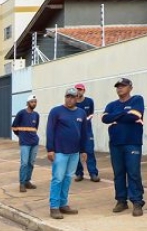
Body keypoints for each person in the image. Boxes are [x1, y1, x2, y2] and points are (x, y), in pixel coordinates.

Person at [101, 78, 146, 217]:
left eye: (123, 86)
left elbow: (135, 116)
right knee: (118, 174)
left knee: (133, 172)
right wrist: (124, 114)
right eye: (118, 87)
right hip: (115, 143)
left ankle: (137, 202)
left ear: (130, 88)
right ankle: (121, 200)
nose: (120, 88)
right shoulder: (111, 104)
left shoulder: (137, 100)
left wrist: (115, 117)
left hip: (132, 142)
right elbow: (104, 118)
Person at [46, 87, 88, 219]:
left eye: (72, 97)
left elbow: (84, 133)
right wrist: (50, 149)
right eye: (67, 96)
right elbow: (50, 131)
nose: (69, 99)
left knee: (68, 178)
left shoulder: (81, 113)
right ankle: (54, 207)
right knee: (57, 178)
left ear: (77, 98)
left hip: (74, 153)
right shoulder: (56, 111)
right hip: (60, 152)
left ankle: (63, 204)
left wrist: (83, 150)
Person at [11, 94, 40, 193]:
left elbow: (35, 128)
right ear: (28, 103)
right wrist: (21, 136)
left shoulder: (36, 115)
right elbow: (14, 127)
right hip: (25, 143)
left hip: (34, 142)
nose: (34, 103)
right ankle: (22, 183)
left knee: (31, 163)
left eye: (35, 102)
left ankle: (28, 181)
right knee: (24, 163)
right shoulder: (21, 113)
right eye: (32, 102)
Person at [73, 83, 100, 182]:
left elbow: (91, 114)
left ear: (84, 91)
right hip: (75, 132)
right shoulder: (72, 102)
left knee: (89, 151)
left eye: (80, 89)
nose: (78, 91)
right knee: (76, 153)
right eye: (77, 90)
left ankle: (93, 173)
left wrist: (83, 121)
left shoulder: (89, 101)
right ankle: (79, 173)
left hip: (87, 131)